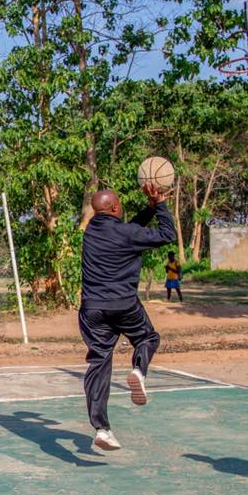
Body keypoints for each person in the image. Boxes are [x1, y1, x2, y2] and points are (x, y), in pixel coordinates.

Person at [79, 184, 175, 451]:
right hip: (123, 305)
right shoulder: (126, 233)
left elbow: (129, 229)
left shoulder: (91, 232)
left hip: (92, 310)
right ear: (115, 208)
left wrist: (150, 209)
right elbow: (167, 234)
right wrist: (161, 205)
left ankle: (102, 428)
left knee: (99, 362)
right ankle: (138, 370)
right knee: (147, 337)